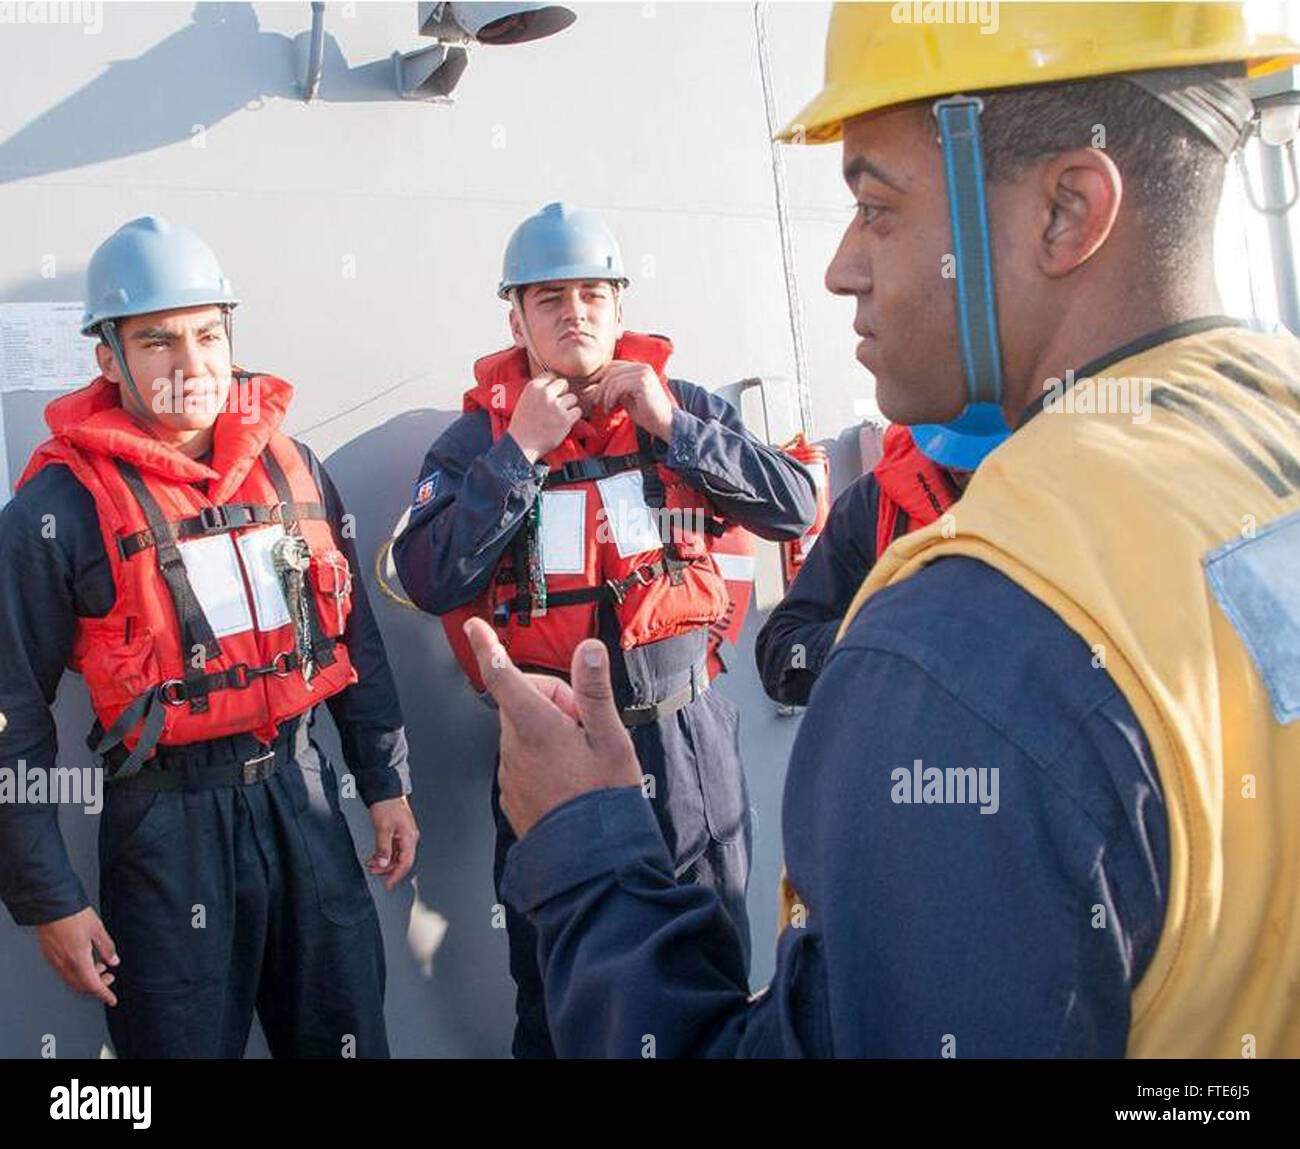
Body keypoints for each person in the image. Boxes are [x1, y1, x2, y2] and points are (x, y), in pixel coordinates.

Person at [456, 3, 1300, 1057]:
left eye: (876, 205)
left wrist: (583, 845)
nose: (842, 267)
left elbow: (787, 505)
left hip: (670, 739)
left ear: (1067, 211)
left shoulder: (962, 648)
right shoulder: (1268, 422)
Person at [392, 202, 816, 1057]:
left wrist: (676, 427)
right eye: (550, 298)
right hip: (562, 751)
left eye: (592, 293)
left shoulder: (680, 405)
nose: (573, 312)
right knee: (559, 984)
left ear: (620, 308)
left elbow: (794, 506)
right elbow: (431, 574)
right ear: (516, 318)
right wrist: (519, 453)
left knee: (708, 958)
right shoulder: (475, 438)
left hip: (689, 737)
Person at [0, 216, 418, 1058]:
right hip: (166, 829)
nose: (189, 364)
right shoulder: (57, 511)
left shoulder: (291, 463)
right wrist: (45, 894)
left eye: (205, 333)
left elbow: (354, 641)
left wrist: (383, 778)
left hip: (302, 797)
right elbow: (10, 712)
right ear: (107, 358)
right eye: (156, 341)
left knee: (347, 1035)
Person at [756, 414, 1006, 704]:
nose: (971, 474)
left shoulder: (1060, 501)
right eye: (963, 464)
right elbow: (779, 655)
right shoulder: (871, 506)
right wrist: (880, 636)